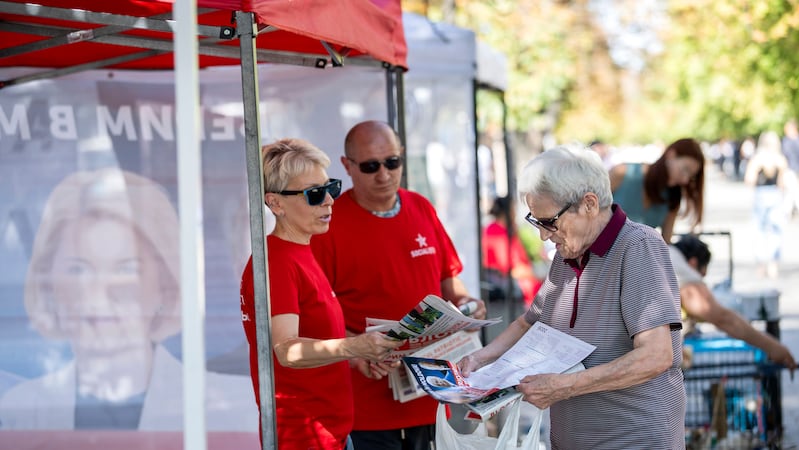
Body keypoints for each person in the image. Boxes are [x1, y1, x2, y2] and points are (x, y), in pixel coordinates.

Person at [458, 145, 685, 449]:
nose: (543, 235)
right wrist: (480, 358)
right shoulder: (569, 252)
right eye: (535, 221)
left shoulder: (639, 246)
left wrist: (564, 387)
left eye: (549, 222)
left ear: (589, 204)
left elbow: (656, 355)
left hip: (631, 439)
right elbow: (529, 323)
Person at [0, 169, 256, 431]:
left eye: (126, 269)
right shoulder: (18, 411)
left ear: (165, 285)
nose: (100, 291)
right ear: (49, 283)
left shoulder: (232, 407)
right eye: (79, 269)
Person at [310, 120, 487, 450]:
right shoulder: (329, 224)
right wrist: (355, 349)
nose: (384, 175)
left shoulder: (420, 206)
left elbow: (448, 276)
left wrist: (466, 303)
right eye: (370, 166)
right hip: (365, 408)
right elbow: (315, 314)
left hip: (431, 395)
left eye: (392, 162)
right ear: (347, 166)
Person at [239, 139, 402, 449]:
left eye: (332, 188)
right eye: (314, 194)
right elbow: (286, 350)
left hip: (330, 432)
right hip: (303, 436)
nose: (329, 200)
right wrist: (355, 347)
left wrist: (356, 357)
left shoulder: (299, 250)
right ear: (275, 203)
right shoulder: (278, 261)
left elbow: (315, 334)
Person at [669, 234, 796, 373]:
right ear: (693, 263)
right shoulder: (680, 269)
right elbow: (724, 319)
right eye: (701, 276)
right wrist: (772, 347)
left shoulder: (664, 255)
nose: (701, 282)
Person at [609, 138, 705, 242]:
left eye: (691, 176)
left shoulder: (673, 198)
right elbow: (590, 210)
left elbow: (665, 244)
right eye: (685, 169)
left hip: (637, 257)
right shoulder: (622, 173)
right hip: (598, 254)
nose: (685, 180)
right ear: (671, 154)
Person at [744, 130, 789, 279]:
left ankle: (761, 264)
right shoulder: (780, 159)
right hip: (775, 195)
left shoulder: (757, 159)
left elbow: (749, 179)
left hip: (761, 194)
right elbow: (783, 183)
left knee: (760, 230)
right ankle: (773, 265)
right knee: (776, 231)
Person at [482, 196, 542, 308]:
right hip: (509, 282)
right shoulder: (495, 232)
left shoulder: (506, 230)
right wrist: (537, 274)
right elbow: (508, 268)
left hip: (520, 278)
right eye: (513, 209)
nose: (515, 213)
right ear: (507, 211)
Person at [782, 118, 799, 217]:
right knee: (793, 191)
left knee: (793, 191)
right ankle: (787, 211)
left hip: (792, 169)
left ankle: (787, 211)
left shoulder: (788, 141)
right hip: (791, 169)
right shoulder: (788, 141)